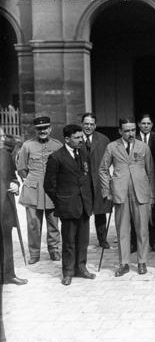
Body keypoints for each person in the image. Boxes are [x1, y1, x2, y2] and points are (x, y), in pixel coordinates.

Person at [99, 118, 155, 277]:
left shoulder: (143, 147)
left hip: (141, 193)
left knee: (142, 230)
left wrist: (152, 195)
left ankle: (142, 261)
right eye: (127, 131)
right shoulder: (112, 147)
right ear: (120, 131)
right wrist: (107, 191)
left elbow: (151, 171)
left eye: (133, 130)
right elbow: (103, 170)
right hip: (120, 193)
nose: (131, 133)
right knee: (122, 230)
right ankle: (124, 263)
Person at [44, 124, 95, 286]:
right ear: (67, 139)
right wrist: (61, 201)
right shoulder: (56, 157)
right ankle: (67, 272)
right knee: (69, 242)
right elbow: (49, 185)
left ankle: (81, 267)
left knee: (83, 241)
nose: (81, 140)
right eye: (77, 138)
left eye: (81, 137)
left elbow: (87, 176)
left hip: (84, 205)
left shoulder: (83, 152)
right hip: (67, 206)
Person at [16, 116, 62, 264]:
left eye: (45, 128)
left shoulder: (57, 145)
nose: (42, 131)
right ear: (35, 130)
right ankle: (34, 253)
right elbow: (21, 168)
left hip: (52, 191)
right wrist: (30, 182)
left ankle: (54, 250)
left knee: (53, 223)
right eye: (39, 129)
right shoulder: (27, 146)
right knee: (33, 224)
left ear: (50, 129)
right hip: (33, 191)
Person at [0, 127, 27, 285]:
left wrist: (16, 185)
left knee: (6, 241)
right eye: (0, 136)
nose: (3, 139)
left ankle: (8, 275)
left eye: (3, 135)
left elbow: (12, 177)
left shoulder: (5, 155)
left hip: (4, 207)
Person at [81, 113, 113, 249]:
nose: (88, 126)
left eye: (91, 124)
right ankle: (82, 240)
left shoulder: (103, 140)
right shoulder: (75, 138)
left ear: (95, 125)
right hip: (82, 181)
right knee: (83, 212)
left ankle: (102, 239)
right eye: (86, 123)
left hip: (98, 181)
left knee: (100, 212)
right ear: (82, 124)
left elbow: (109, 161)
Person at [136, 114, 155, 253]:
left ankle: (153, 242)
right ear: (139, 124)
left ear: (152, 125)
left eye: (148, 123)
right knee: (136, 213)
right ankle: (135, 243)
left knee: (153, 214)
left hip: (153, 179)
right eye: (143, 123)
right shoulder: (133, 138)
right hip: (137, 180)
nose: (146, 126)